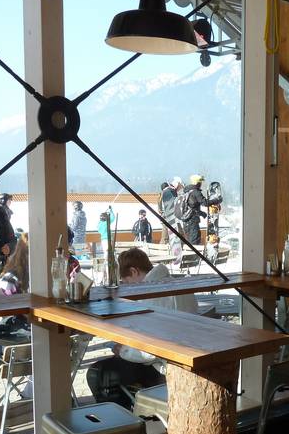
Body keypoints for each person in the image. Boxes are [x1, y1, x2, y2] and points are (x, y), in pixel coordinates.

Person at [86, 248, 198, 406]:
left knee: (98, 373)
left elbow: (150, 351)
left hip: (166, 368)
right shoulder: (177, 285)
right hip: (187, 358)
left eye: (126, 282)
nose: (127, 288)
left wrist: (124, 351)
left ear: (134, 271)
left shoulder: (150, 295)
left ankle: (126, 417)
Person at [181, 174, 208, 245]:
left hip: (186, 221)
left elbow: (192, 207)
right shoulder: (196, 192)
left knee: (190, 241)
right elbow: (205, 203)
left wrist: (202, 213)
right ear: (197, 182)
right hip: (193, 221)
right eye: (200, 182)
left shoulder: (187, 192)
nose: (201, 184)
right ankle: (194, 252)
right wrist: (216, 200)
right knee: (194, 242)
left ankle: (190, 251)